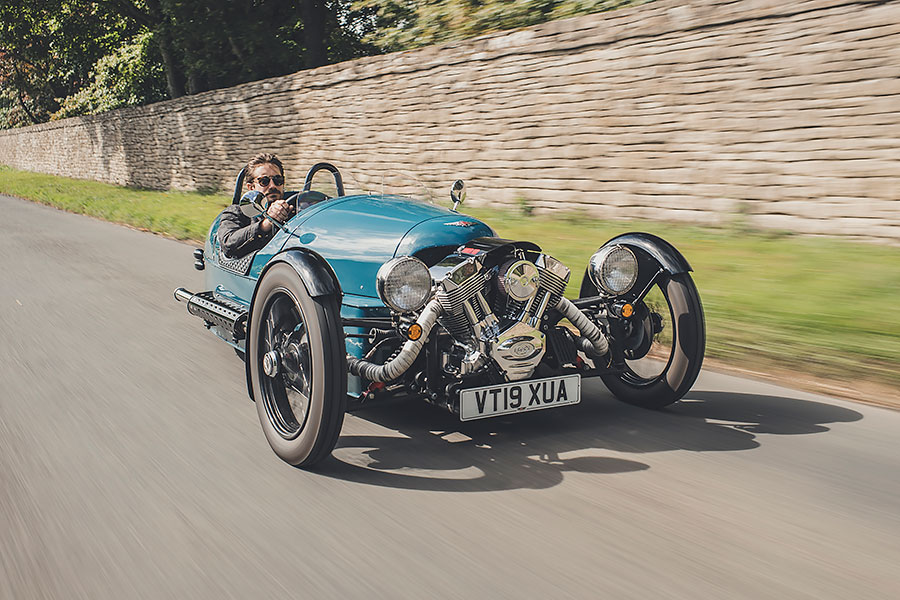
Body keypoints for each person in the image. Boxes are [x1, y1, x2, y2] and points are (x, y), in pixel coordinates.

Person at [218, 153, 295, 258]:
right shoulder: (236, 212)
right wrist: (266, 223)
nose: (272, 186)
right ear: (251, 187)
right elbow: (228, 245)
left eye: (278, 180)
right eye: (264, 181)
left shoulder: (296, 207)